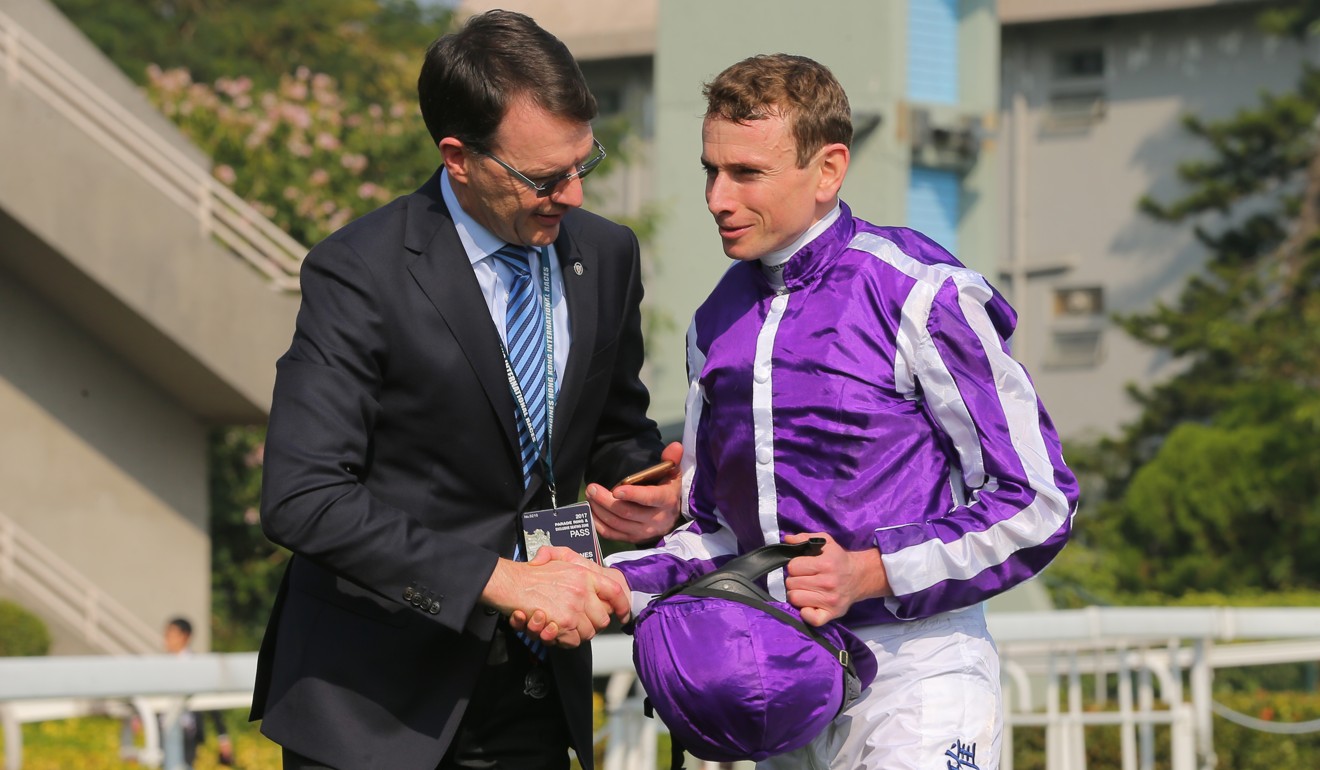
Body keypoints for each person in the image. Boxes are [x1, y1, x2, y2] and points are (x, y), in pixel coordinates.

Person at [601, 54, 1079, 770]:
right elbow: (723, 540)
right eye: (711, 170)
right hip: (778, 686)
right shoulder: (715, 322)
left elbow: (1038, 503)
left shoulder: (922, 293)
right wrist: (611, 580)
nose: (717, 199)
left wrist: (872, 571)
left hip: (921, 674)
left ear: (827, 170)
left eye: (747, 174)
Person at [249, 10, 682, 770]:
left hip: (538, 685)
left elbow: (611, 426)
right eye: (545, 178)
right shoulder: (359, 272)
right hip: (373, 706)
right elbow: (302, 495)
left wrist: (640, 485)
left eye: (586, 162)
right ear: (459, 157)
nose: (574, 195)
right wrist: (499, 580)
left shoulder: (608, 256)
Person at [161, 618, 234, 770]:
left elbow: (212, 703)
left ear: (185, 636)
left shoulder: (197, 665)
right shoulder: (163, 665)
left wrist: (223, 737)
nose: (166, 639)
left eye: (170, 634)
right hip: (165, 729)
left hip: (189, 733)